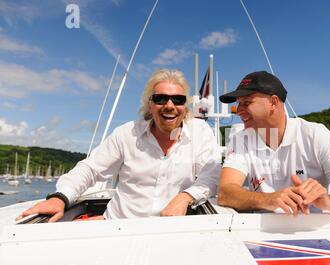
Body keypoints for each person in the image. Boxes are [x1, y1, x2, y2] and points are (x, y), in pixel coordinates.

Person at [17, 69, 222, 222]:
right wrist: (60, 198)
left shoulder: (200, 131)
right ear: (150, 104)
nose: (169, 105)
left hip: (169, 228)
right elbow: (91, 169)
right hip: (119, 227)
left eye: (177, 99)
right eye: (160, 98)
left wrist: (185, 197)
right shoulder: (126, 133)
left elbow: (211, 175)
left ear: (184, 105)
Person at [217, 71, 330, 214]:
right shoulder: (241, 139)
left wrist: (328, 202)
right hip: (261, 233)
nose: (238, 111)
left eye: (246, 103)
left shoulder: (315, 134)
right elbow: (224, 193)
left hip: (319, 231)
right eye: (238, 104)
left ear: (273, 102)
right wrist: (269, 199)